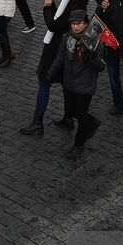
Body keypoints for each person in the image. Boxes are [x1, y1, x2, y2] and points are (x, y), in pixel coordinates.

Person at [23, 0, 86, 134]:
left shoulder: (72, 7)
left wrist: (47, 6)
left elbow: (53, 25)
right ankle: (68, 117)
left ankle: (38, 121)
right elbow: (62, 18)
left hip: (56, 48)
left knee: (44, 82)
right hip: (69, 49)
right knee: (66, 83)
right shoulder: (78, 4)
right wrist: (54, 5)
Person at [47, 10, 105, 161]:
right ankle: (92, 122)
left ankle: (79, 145)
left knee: (81, 115)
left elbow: (101, 66)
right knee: (71, 112)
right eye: (73, 24)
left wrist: (92, 57)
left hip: (85, 85)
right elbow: (60, 57)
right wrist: (50, 73)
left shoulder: (94, 41)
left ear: (86, 23)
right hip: (69, 82)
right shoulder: (67, 37)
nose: (75, 27)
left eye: (78, 23)